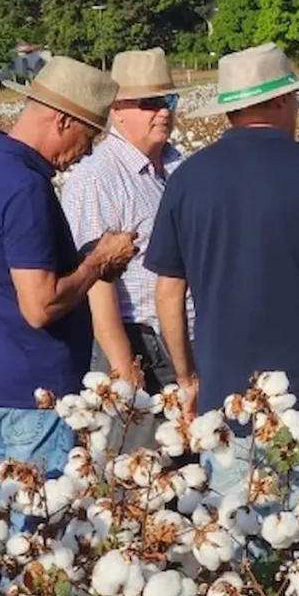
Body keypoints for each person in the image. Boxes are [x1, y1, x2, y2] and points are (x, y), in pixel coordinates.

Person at [143, 43, 299, 501]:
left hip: (225, 405)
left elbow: (167, 296)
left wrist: (187, 379)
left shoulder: (186, 179)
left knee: (236, 549)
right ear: (281, 100)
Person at [0, 55, 138, 496]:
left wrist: (84, 258)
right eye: (89, 136)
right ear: (61, 121)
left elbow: (3, 272)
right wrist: (96, 263)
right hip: (36, 396)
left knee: (3, 523)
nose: (89, 151)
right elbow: (40, 305)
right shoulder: (25, 187)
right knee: (37, 532)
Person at [62, 48, 191, 453]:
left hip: (182, 344)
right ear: (117, 109)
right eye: (150, 103)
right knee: (139, 472)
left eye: (169, 101)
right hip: (139, 347)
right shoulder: (96, 178)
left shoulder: (177, 165)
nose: (164, 113)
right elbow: (96, 278)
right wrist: (123, 367)